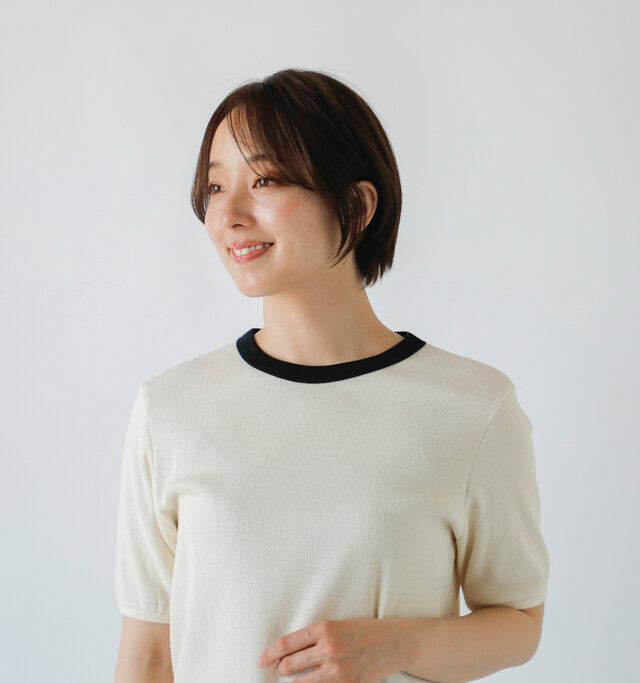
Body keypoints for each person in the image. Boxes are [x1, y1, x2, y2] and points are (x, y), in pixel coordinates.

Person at [114, 67, 550, 683]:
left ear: (357, 205)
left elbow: (519, 620)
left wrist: (397, 646)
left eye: (265, 180)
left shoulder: (473, 407)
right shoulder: (170, 409)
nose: (228, 213)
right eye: (214, 186)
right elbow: (149, 656)